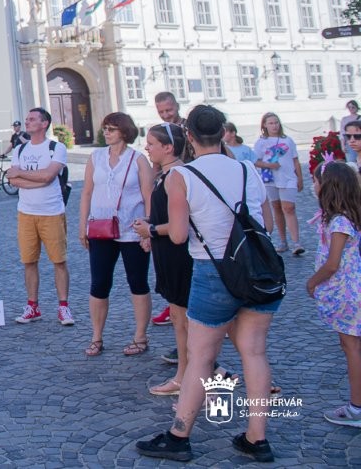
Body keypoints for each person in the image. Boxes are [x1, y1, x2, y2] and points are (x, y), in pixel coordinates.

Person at [134, 104, 278, 463]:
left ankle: (179, 434)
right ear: (222, 132)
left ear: (190, 138)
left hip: (213, 271)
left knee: (200, 357)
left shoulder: (184, 176)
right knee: (255, 353)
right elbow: (269, 225)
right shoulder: (246, 168)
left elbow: (179, 236)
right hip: (257, 271)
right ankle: (256, 439)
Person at [79, 112, 153, 357]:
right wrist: (82, 226)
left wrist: (148, 229)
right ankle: (96, 337)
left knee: (138, 282)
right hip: (101, 229)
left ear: (124, 131)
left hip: (132, 230)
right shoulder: (96, 157)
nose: (106, 132)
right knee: (99, 283)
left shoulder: (138, 159)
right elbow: (87, 192)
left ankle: (140, 337)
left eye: (111, 128)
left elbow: (148, 196)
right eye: (105, 128)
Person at [131, 123, 193, 396]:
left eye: (152, 143)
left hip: (179, 255)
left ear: (168, 148)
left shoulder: (176, 175)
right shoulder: (165, 173)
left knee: (184, 319)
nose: (147, 147)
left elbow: (183, 223)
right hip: (166, 253)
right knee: (178, 319)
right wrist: (149, 225)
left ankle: (190, 376)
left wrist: (152, 230)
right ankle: (186, 373)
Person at [306, 161, 361, 427]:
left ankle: (357, 407)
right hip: (351, 292)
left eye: (316, 181)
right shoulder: (347, 216)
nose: (313, 185)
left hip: (349, 295)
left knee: (352, 349)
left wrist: (312, 283)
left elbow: (332, 263)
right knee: (351, 346)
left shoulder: (340, 221)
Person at [7, 107, 74, 327]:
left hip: (51, 212)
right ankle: (32, 305)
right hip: (26, 212)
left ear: (44, 123)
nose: (28, 122)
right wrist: (34, 179)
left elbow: (48, 176)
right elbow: (13, 181)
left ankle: (63, 306)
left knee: (59, 261)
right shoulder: (20, 150)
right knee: (29, 261)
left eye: (33, 119)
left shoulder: (56, 148)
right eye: (27, 119)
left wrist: (23, 175)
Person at [152, 92, 185, 330]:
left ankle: (211, 366)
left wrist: (152, 229)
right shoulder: (160, 132)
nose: (166, 115)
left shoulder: (189, 131)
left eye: (169, 110)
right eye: (161, 112)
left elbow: (179, 231)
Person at [254, 112, 305, 256]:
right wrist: (269, 166)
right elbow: (255, 160)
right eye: (271, 123)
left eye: (276, 122)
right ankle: (283, 241)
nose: (274, 125)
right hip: (270, 179)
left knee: (289, 208)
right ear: (264, 125)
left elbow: (295, 160)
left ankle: (296, 242)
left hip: (288, 178)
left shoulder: (287, 140)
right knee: (276, 207)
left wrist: (299, 177)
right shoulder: (261, 142)